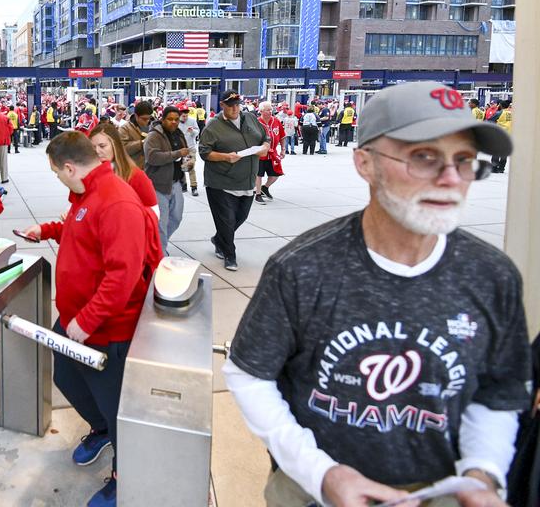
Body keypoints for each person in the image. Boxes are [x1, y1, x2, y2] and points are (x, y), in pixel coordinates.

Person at [224, 81, 529, 507]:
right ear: (365, 163)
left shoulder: (492, 277)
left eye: (464, 160)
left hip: (444, 490)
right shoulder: (302, 267)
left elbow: (499, 392)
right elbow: (249, 373)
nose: (450, 179)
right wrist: (321, 472)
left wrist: (483, 474)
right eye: (424, 157)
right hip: (314, 490)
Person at [20, 132, 162, 507]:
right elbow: (80, 230)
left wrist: (88, 320)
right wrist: (47, 231)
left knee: (117, 409)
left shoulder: (116, 202)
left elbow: (123, 275)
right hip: (75, 321)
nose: (58, 179)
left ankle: (124, 476)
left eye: (57, 173)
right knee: (65, 376)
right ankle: (101, 430)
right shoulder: (86, 194)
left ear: (70, 167)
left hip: (104, 330)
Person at [197, 90, 269, 272]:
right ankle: (230, 254)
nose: (235, 108)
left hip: (247, 181)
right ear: (222, 105)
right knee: (227, 221)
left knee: (241, 217)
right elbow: (204, 152)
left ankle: (219, 239)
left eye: (237, 104)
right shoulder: (213, 126)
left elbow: (265, 137)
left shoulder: (250, 119)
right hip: (221, 182)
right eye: (231, 105)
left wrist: (265, 147)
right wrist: (224, 157)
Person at [144, 106, 190, 254]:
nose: (174, 122)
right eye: (170, 119)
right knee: (160, 223)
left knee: (176, 218)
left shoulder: (179, 133)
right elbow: (152, 157)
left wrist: (188, 162)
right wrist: (176, 153)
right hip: (158, 185)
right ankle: (159, 253)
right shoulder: (154, 136)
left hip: (176, 182)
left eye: (176, 119)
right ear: (162, 119)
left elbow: (184, 153)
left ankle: (156, 244)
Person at [89, 122, 158, 214]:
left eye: (102, 146)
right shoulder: (87, 174)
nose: (97, 151)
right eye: (93, 147)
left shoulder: (135, 175)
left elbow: (153, 210)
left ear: (115, 146)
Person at [255, 101, 285, 205]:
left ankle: (265, 188)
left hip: (273, 153)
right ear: (261, 111)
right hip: (260, 154)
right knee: (258, 174)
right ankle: (258, 194)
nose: (270, 111)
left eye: (271, 109)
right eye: (268, 110)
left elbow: (282, 135)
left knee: (276, 174)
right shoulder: (257, 123)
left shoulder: (276, 121)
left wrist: (283, 149)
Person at [119, 100, 153, 169]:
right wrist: (142, 143)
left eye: (149, 118)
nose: (147, 121)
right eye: (144, 119)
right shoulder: (125, 129)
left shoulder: (154, 126)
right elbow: (122, 149)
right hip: (133, 170)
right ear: (136, 116)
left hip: (152, 171)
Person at [179, 107, 201, 196]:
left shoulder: (192, 120)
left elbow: (197, 131)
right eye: (183, 115)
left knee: (191, 167)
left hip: (190, 148)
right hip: (180, 149)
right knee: (181, 167)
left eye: (186, 115)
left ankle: (194, 187)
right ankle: (183, 185)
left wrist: (193, 131)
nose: (185, 117)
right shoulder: (176, 121)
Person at [491, 99, 512, 173]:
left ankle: (494, 167)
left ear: (501, 105)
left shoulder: (499, 113)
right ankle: (501, 168)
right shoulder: (511, 113)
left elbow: (490, 120)